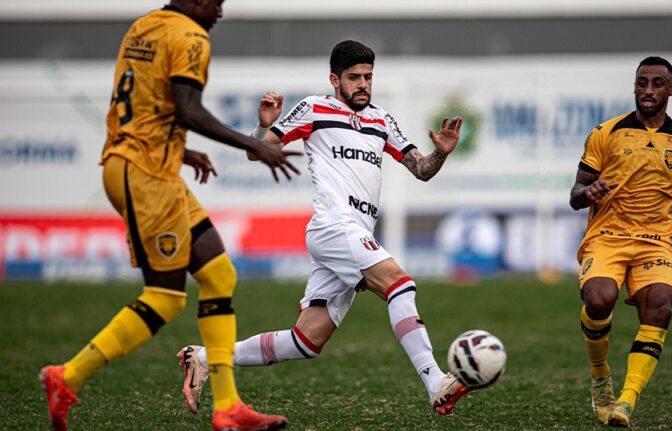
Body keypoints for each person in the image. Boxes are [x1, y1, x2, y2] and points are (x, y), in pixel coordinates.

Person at [39, 1, 300, 430]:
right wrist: (254, 145)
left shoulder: (143, 27)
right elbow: (188, 109)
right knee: (165, 297)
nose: (219, 10)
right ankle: (65, 376)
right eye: (215, 1)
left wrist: (178, 149)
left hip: (146, 164)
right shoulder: (191, 36)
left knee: (218, 275)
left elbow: (141, 107)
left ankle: (228, 406)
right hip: (145, 175)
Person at [176, 40, 470, 417]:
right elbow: (257, 150)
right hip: (333, 226)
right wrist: (263, 126)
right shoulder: (314, 108)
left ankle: (201, 357)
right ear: (335, 79)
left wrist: (441, 153)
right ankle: (436, 382)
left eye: (368, 77)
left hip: (355, 232)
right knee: (399, 283)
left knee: (306, 340)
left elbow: (421, 169)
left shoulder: (382, 120)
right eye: (354, 78)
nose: (363, 84)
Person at [569, 56, 672, 428]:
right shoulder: (605, 133)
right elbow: (576, 194)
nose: (648, 90)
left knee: (660, 306)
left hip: (654, 241)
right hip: (607, 237)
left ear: (671, 90)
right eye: (642, 82)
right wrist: (589, 191)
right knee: (598, 299)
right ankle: (600, 377)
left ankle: (626, 401)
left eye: (658, 83)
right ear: (634, 86)